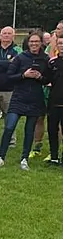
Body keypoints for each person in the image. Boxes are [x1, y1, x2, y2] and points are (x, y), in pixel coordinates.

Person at [0, 32, 49, 170]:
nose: (34, 44)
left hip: (35, 98)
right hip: (19, 97)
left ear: (41, 43)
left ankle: (24, 158)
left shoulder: (45, 59)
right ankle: (1, 157)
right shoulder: (20, 57)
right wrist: (24, 75)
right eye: (31, 42)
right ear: (27, 43)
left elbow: (48, 79)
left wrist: (39, 77)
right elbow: (10, 76)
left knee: (29, 130)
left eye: (36, 42)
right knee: (9, 126)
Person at [45, 35, 63, 165]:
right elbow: (47, 80)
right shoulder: (52, 63)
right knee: (52, 130)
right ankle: (54, 157)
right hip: (54, 102)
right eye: (60, 44)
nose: (62, 46)